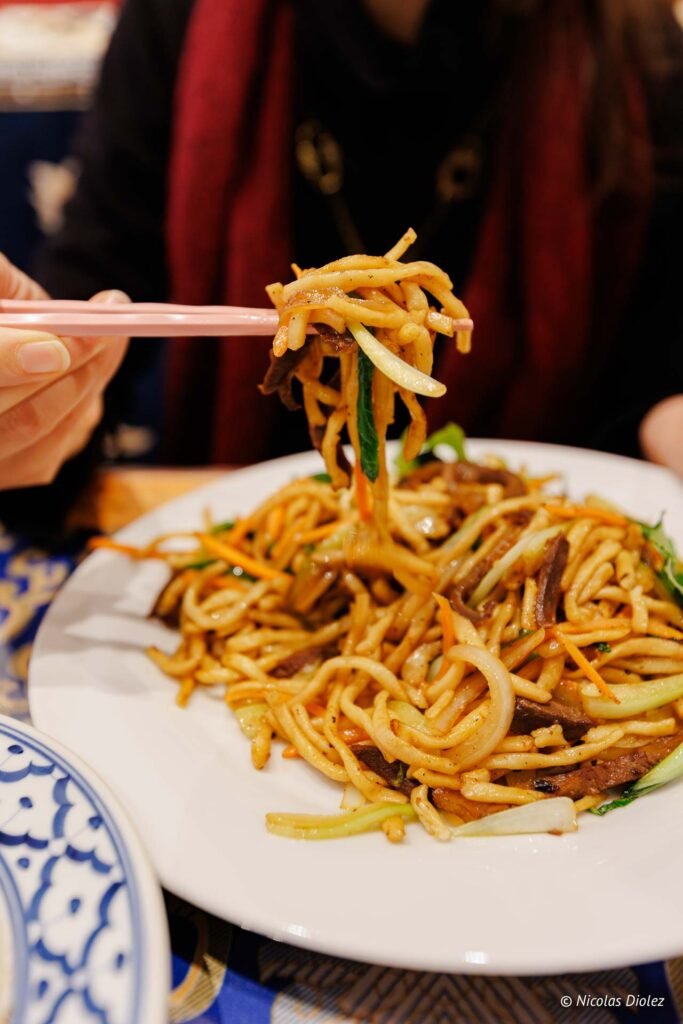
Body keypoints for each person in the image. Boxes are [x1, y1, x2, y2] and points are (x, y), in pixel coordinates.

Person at [0, 0, 682, 512]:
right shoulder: (179, 23)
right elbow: (91, 314)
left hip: (543, 549)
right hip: (248, 565)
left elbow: (650, 376)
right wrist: (42, 411)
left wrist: (665, 415)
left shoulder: (637, 54)